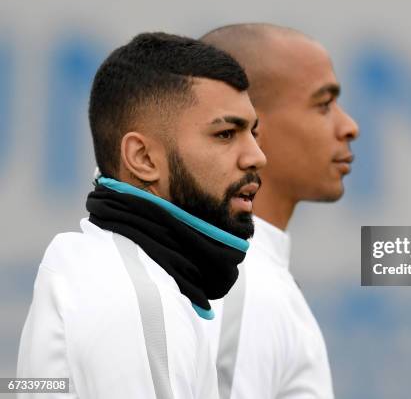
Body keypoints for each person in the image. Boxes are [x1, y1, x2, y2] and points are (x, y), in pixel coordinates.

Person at [16, 32, 266, 398]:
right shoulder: (140, 300)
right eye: (226, 134)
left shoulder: (104, 269)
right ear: (143, 158)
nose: (257, 156)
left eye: (253, 134)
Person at [200, 24, 360, 399]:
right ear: (250, 125)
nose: (349, 126)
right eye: (323, 104)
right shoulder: (240, 284)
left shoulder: (248, 276)